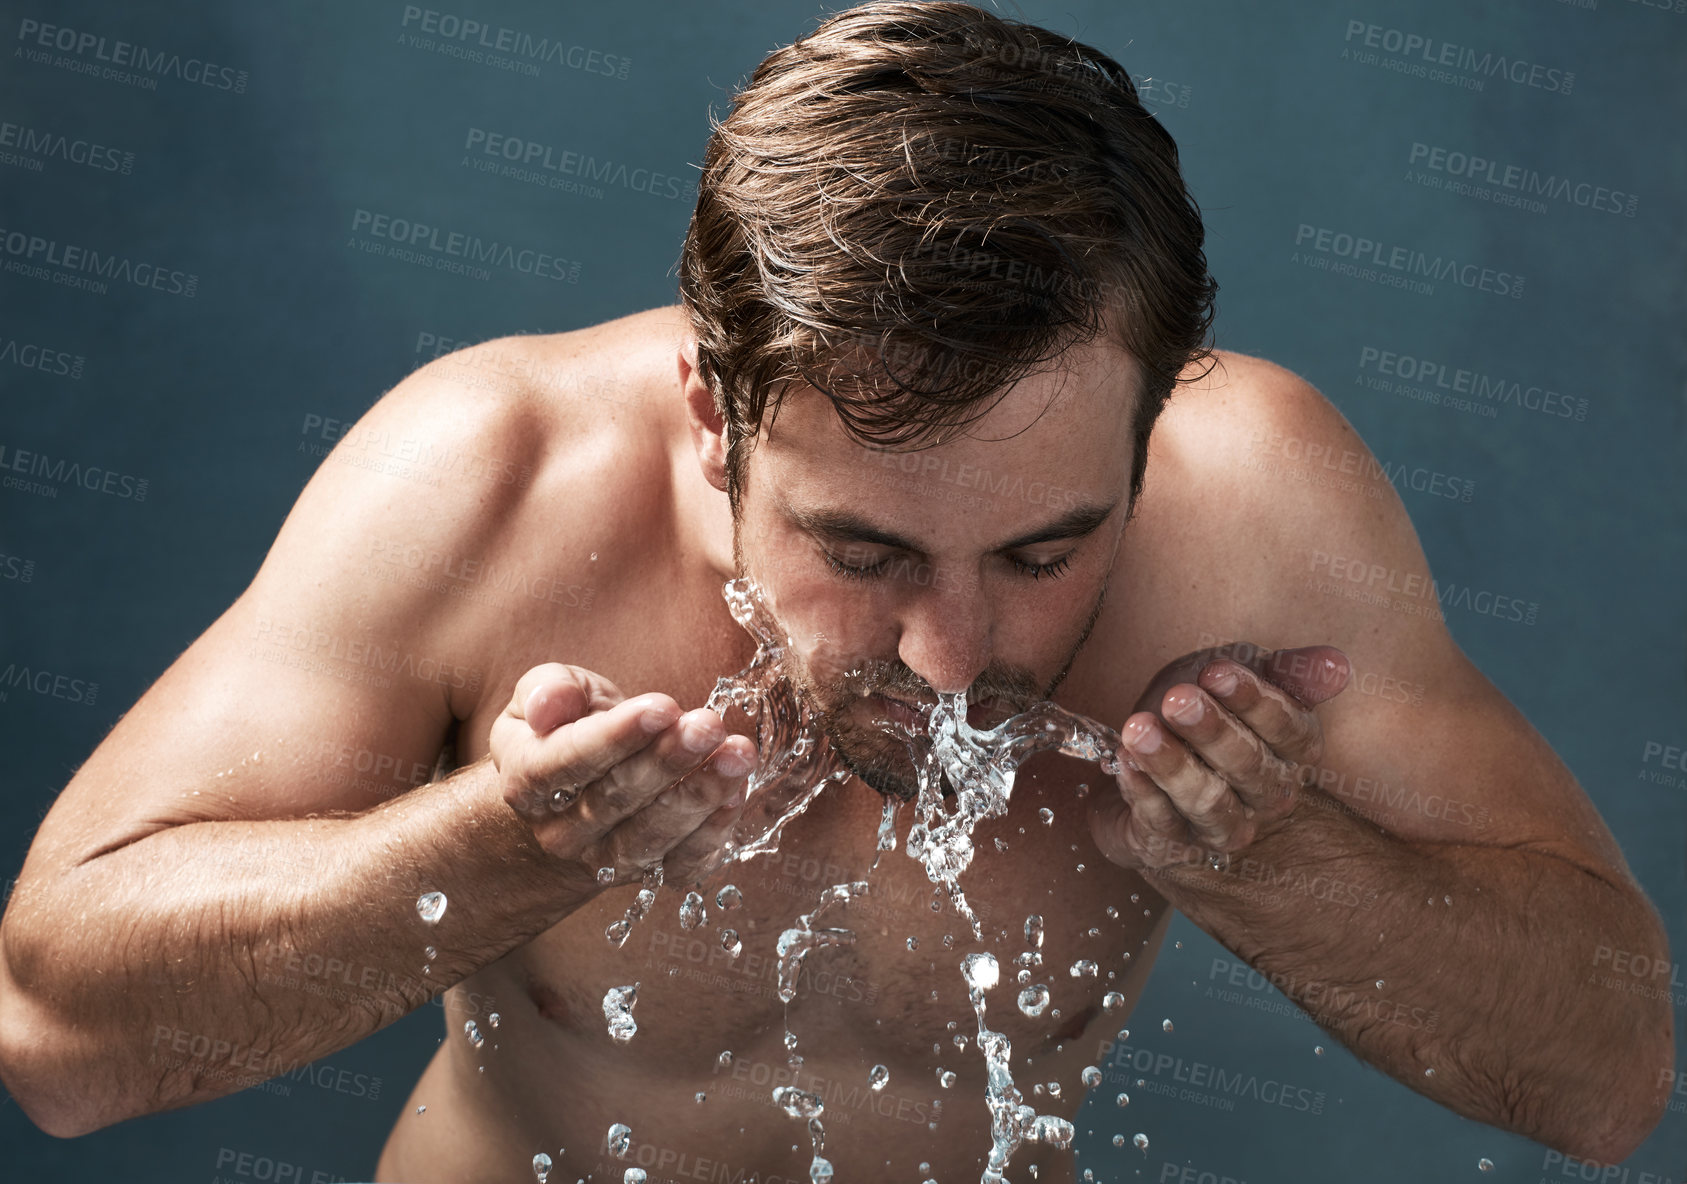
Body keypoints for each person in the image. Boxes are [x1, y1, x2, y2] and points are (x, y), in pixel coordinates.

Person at [0, 3, 1669, 1181]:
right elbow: (57, 1043)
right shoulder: (488, 480)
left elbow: (1609, 1082)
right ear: (713, 415)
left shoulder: (1252, 511)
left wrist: (1282, 862)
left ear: (1152, 425)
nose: (953, 659)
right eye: (863, 552)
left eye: (1044, 552)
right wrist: (493, 853)